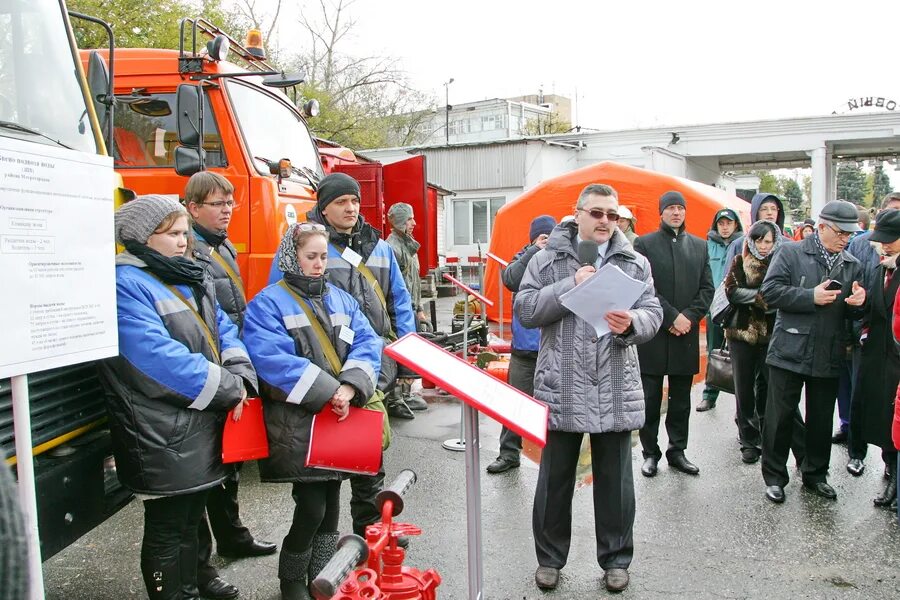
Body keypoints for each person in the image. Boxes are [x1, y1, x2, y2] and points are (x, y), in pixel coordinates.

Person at [98, 195, 258, 600]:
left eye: (185, 232)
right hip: (160, 429)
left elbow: (224, 331)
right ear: (141, 238)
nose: (183, 241)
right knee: (169, 524)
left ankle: (199, 581)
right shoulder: (126, 284)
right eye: (172, 233)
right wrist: (230, 388)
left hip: (194, 424)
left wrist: (240, 373)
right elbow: (158, 362)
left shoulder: (186, 275)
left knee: (192, 512)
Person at [516, 183, 662, 593]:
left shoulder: (635, 262)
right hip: (562, 382)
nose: (605, 221)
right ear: (577, 213)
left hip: (614, 383)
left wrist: (633, 322)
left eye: (612, 215)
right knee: (555, 480)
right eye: (597, 213)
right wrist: (569, 287)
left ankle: (616, 559)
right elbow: (525, 310)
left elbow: (652, 310)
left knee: (616, 482)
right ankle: (549, 559)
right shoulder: (546, 260)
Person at [270, 172, 416, 540]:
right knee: (328, 472)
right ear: (323, 207)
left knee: (371, 464)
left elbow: (400, 302)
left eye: (354, 200)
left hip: (370, 366)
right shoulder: (303, 244)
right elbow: (281, 297)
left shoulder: (378, 247)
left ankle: (369, 539)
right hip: (326, 373)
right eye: (340, 202)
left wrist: (408, 359)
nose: (350, 207)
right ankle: (325, 551)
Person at [243, 223, 382, 600]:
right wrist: (332, 391)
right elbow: (270, 361)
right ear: (292, 256)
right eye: (311, 257)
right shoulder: (268, 303)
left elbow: (369, 341)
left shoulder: (340, 298)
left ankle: (320, 575)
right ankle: (291, 580)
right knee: (311, 507)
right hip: (301, 424)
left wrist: (350, 386)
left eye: (323, 256)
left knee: (331, 504)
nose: (319, 264)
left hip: (335, 416)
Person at [184, 172, 275, 600]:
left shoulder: (222, 248)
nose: (226, 211)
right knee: (206, 469)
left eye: (230, 203)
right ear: (192, 208)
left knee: (229, 463)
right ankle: (203, 565)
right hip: (209, 372)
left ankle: (233, 535)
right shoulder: (192, 250)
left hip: (229, 363)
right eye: (217, 203)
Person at [760, 200, 866, 504]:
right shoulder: (791, 252)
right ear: (821, 227)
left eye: (849, 234)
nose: (846, 238)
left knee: (821, 419)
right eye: (841, 232)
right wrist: (810, 296)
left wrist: (858, 305)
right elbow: (770, 293)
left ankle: (815, 474)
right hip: (789, 348)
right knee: (779, 418)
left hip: (829, 350)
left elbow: (851, 314)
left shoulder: (851, 264)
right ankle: (775, 477)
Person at [634, 191, 714, 477]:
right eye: (670, 208)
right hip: (655, 332)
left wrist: (688, 318)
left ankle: (677, 451)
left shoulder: (699, 246)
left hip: (685, 334)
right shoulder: (644, 244)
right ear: (661, 213)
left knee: (681, 399)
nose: (676, 213)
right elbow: (644, 287)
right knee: (650, 397)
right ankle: (649, 452)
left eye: (680, 208)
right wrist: (671, 316)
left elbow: (707, 289)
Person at [486, 214, 556, 474]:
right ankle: (509, 453)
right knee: (515, 403)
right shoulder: (523, 257)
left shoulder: (562, 258)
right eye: (542, 236)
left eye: (550, 235)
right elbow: (511, 279)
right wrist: (533, 251)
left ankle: (556, 459)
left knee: (556, 406)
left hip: (555, 348)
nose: (546, 240)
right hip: (524, 348)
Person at [839, 193, 900, 462]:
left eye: (891, 241)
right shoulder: (879, 269)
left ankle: (892, 472)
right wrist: (859, 302)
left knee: (894, 415)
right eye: (882, 241)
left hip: (895, 356)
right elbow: (870, 308)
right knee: (866, 405)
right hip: (874, 352)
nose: (884, 247)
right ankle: (860, 455)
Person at [723, 220, 785, 464]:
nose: (764, 245)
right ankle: (748, 440)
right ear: (751, 240)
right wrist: (762, 298)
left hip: (772, 334)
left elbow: (785, 292)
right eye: (759, 240)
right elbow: (732, 291)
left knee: (769, 389)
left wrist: (765, 297)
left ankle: (767, 435)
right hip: (741, 332)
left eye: (768, 240)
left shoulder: (782, 261)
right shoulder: (740, 260)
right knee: (744, 388)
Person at [698, 207, 743, 412]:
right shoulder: (707, 246)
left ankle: (741, 403)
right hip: (715, 307)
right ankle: (709, 394)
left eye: (729, 223)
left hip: (738, 305)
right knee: (713, 350)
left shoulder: (743, 244)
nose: (725, 227)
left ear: (736, 225)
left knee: (741, 354)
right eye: (721, 223)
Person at [385, 202, 428, 414]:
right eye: (409, 219)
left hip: (410, 309)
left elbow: (414, 282)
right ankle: (394, 398)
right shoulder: (392, 247)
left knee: (411, 353)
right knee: (399, 352)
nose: (414, 223)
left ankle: (405, 393)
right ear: (400, 222)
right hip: (399, 311)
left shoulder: (409, 246)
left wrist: (419, 309)